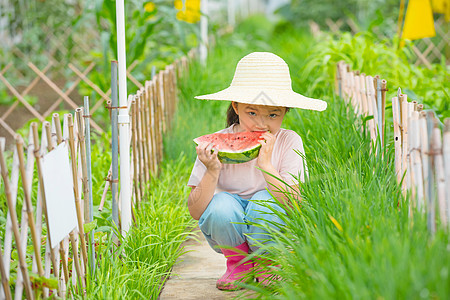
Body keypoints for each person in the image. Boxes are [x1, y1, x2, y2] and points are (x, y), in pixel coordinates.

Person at [187, 52, 327, 290]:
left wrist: (266, 166)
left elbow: (295, 204)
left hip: (270, 223)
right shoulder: (214, 145)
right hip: (227, 227)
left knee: (265, 203)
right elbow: (195, 210)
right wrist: (211, 171)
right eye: (252, 113)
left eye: (273, 115)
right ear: (236, 106)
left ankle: (266, 261)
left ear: (285, 111)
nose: (262, 125)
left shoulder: (290, 141)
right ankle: (238, 264)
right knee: (221, 206)